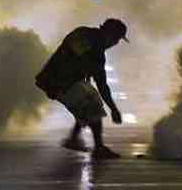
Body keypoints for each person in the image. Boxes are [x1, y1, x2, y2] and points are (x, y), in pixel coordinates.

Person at [36, 18, 129, 159]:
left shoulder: (92, 45)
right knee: (91, 105)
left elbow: (101, 84)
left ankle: (74, 139)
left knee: (89, 98)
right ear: (109, 35)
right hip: (57, 81)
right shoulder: (89, 40)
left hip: (65, 81)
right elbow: (73, 54)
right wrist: (113, 108)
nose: (115, 44)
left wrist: (113, 108)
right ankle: (98, 148)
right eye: (116, 40)